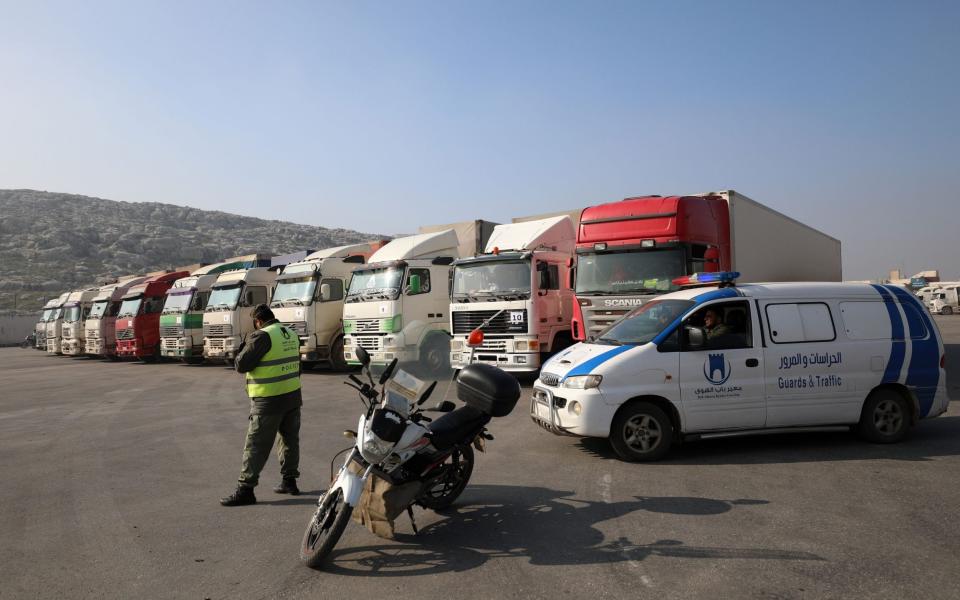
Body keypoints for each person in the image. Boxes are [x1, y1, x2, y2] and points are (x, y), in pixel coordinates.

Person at [220, 304, 303, 506]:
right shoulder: (290, 334)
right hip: (292, 396)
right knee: (289, 441)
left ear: (258, 321)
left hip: (269, 400)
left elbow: (241, 365)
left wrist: (244, 347)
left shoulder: (261, 336)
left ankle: (246, 489)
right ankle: (289, 481)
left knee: (256, 445)